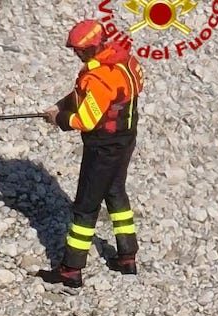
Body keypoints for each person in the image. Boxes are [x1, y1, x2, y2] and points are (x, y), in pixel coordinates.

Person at [39, 20, 144, 288]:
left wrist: (60, 118)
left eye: (79, 50)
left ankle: (71, 269)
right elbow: (91, 97)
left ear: (91, 48)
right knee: (116, 192)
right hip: (125, 138)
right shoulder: (125, 62)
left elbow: (86, 118)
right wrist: (61, 104)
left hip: (102, 147)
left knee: (86, 206)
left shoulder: (97, 77)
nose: (76, 55)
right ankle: (127, 255)